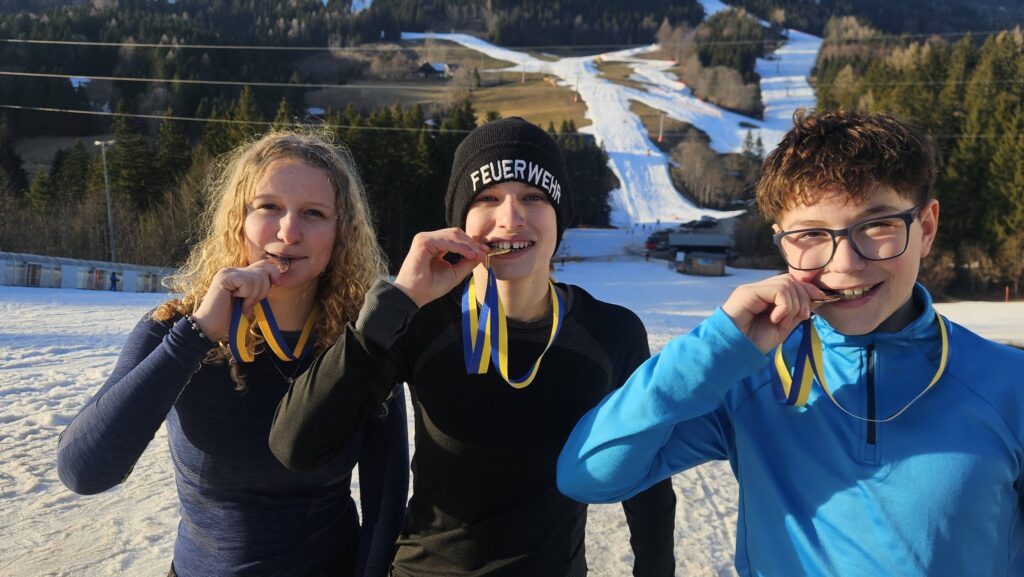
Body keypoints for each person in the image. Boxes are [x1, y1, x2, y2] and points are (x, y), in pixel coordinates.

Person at [557, 110, 1024, 576]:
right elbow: (588, 475)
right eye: (812, 234)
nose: (845, 263)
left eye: (877, 225)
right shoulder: (747, 377)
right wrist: (713, 347)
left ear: (926, 228)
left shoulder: (1009, 385)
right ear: (781, 242)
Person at [271, 117, 676, 577]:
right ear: (460, 220)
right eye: (487, 198)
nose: (510, 217)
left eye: (533, 197)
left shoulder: (611, 332)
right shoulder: (421, 320)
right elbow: (296, 445)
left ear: (559, 216)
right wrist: (397, 301)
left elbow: (647, 481)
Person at [57, 131, 409, 577]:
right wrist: (197, 336)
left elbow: (385, 502)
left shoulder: (361, 343)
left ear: (341, 233)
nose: (288, 232)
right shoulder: (175, 328)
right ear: (238, 218)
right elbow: (83, 472)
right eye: (269, 207)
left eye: (314, 213)